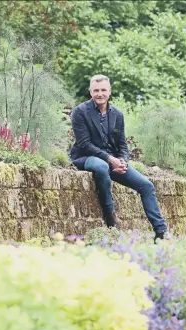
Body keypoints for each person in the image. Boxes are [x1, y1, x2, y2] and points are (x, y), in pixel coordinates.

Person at [69, 75, 167, 242]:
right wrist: (110, 159)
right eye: (96, 90)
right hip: (87, 157)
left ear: (110, 91)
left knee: (146, 186)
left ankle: (161, 233)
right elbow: (85, 144)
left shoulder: (118, 115)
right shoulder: (80, 112)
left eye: (103, 90)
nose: (100, 93)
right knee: (101, 167)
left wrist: (123, 162)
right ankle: (110, 219)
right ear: (90, 91)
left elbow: (122, 144)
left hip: (113, 162)